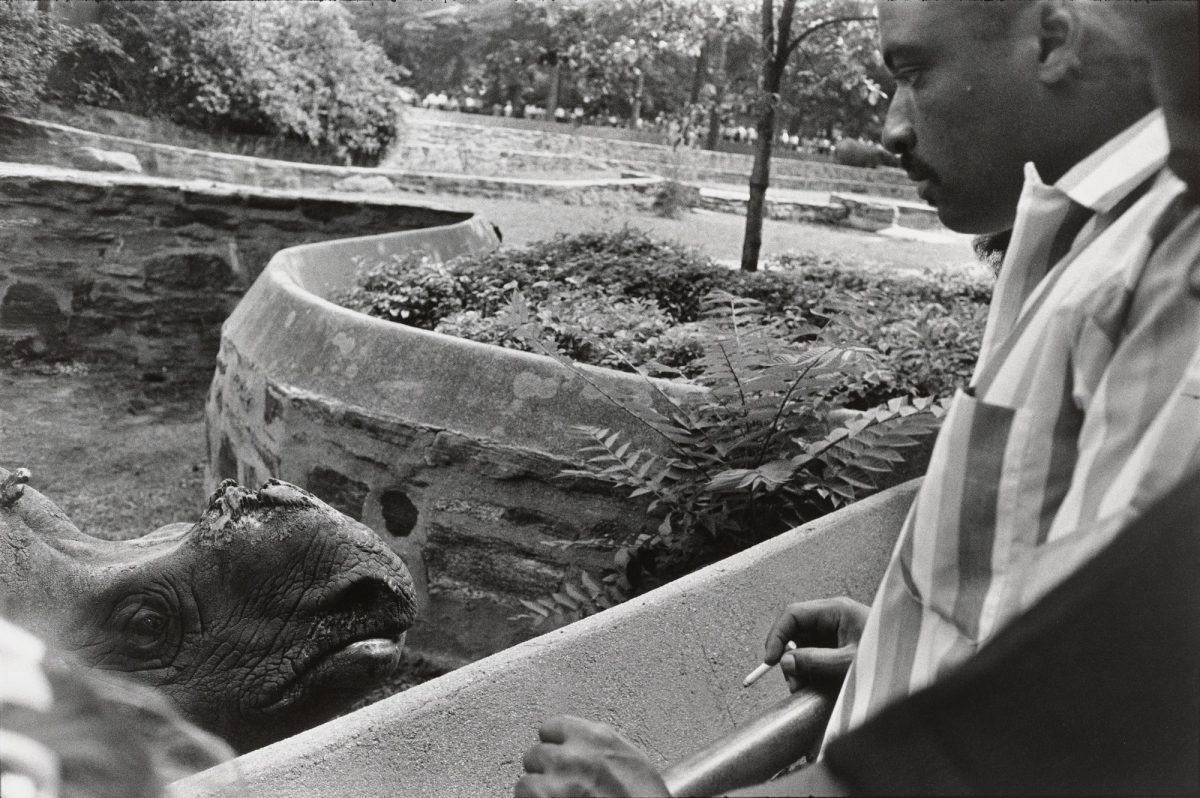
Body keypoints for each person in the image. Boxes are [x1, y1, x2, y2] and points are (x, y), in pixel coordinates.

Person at [516, 1, 1200, 794]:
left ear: (1052, 40)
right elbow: (1067, 627)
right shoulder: (1072, 231)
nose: (891, 130)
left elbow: (1090, 735)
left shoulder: (1168, 265)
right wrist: (910, 657)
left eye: (913, 73)